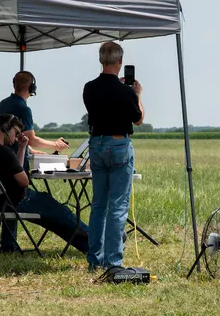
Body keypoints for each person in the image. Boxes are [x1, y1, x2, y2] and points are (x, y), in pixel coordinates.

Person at [0, 113, 89, 253]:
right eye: (15, 133)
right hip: (20, 201)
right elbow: (24, 181)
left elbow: (13, 169)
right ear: (5, 128)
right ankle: (95, 239)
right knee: (62, 214)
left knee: (56, 220)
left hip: (0, 202)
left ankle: (89, 244)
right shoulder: (4, 152)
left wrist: (22, 148)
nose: (16, 138)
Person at [83, 41, 144, 271]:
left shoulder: (89, 88)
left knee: (98, 205)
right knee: (118, 206)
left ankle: (94, 260)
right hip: (119, 144)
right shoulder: (125, 92)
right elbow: (138, 118)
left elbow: (98, 109)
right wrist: (136, 94)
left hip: (96, 144)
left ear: (101, 61)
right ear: (120, 62)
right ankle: (113, 262)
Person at [0, 70, 69, 173]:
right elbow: (30, 139)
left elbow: (11, 136)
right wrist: (56, 145)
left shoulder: (3, 103)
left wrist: (31, 151)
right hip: (17, 162)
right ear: (32, 88)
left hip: (1, 159)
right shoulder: (24, 109)